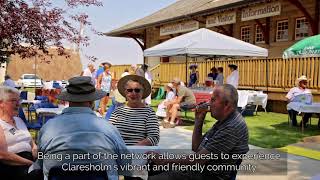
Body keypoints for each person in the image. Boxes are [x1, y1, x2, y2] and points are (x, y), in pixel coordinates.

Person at [33, 76, 130, 179]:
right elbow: (125, 163)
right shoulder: (108, 129)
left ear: (68, 99)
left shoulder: (48, 128)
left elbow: (40, 162)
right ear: (92, 101)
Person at [149, 84, 249, 180]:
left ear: (226, 104)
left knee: (155, 175)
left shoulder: (232, 127)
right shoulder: (224, 121)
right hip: (200, 171)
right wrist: (198, 120)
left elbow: (197, 160)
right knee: (151, 166)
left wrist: (164, 161)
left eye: (213, 100)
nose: (209, 103)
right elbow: (196, 148)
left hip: (209, 176)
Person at [0, 86, 40, 179]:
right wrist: (31, 163)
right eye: (13, 100)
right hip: (12, 165)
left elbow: (31, 142)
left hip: (29, 161)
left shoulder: (19, 120)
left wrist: (35, 148)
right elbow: (2, 155)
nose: (18, 104)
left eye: (19, 100)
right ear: (1, 103)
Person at [109, 75, 159, 146]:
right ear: (125, 93)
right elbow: (109, 132)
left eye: (137, 90)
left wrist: (134, 149)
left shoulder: (149, 112)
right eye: (129, 90)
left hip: (139, 153)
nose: (133, 93)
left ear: (143, 93)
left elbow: (154, 137)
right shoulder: (118, 111)